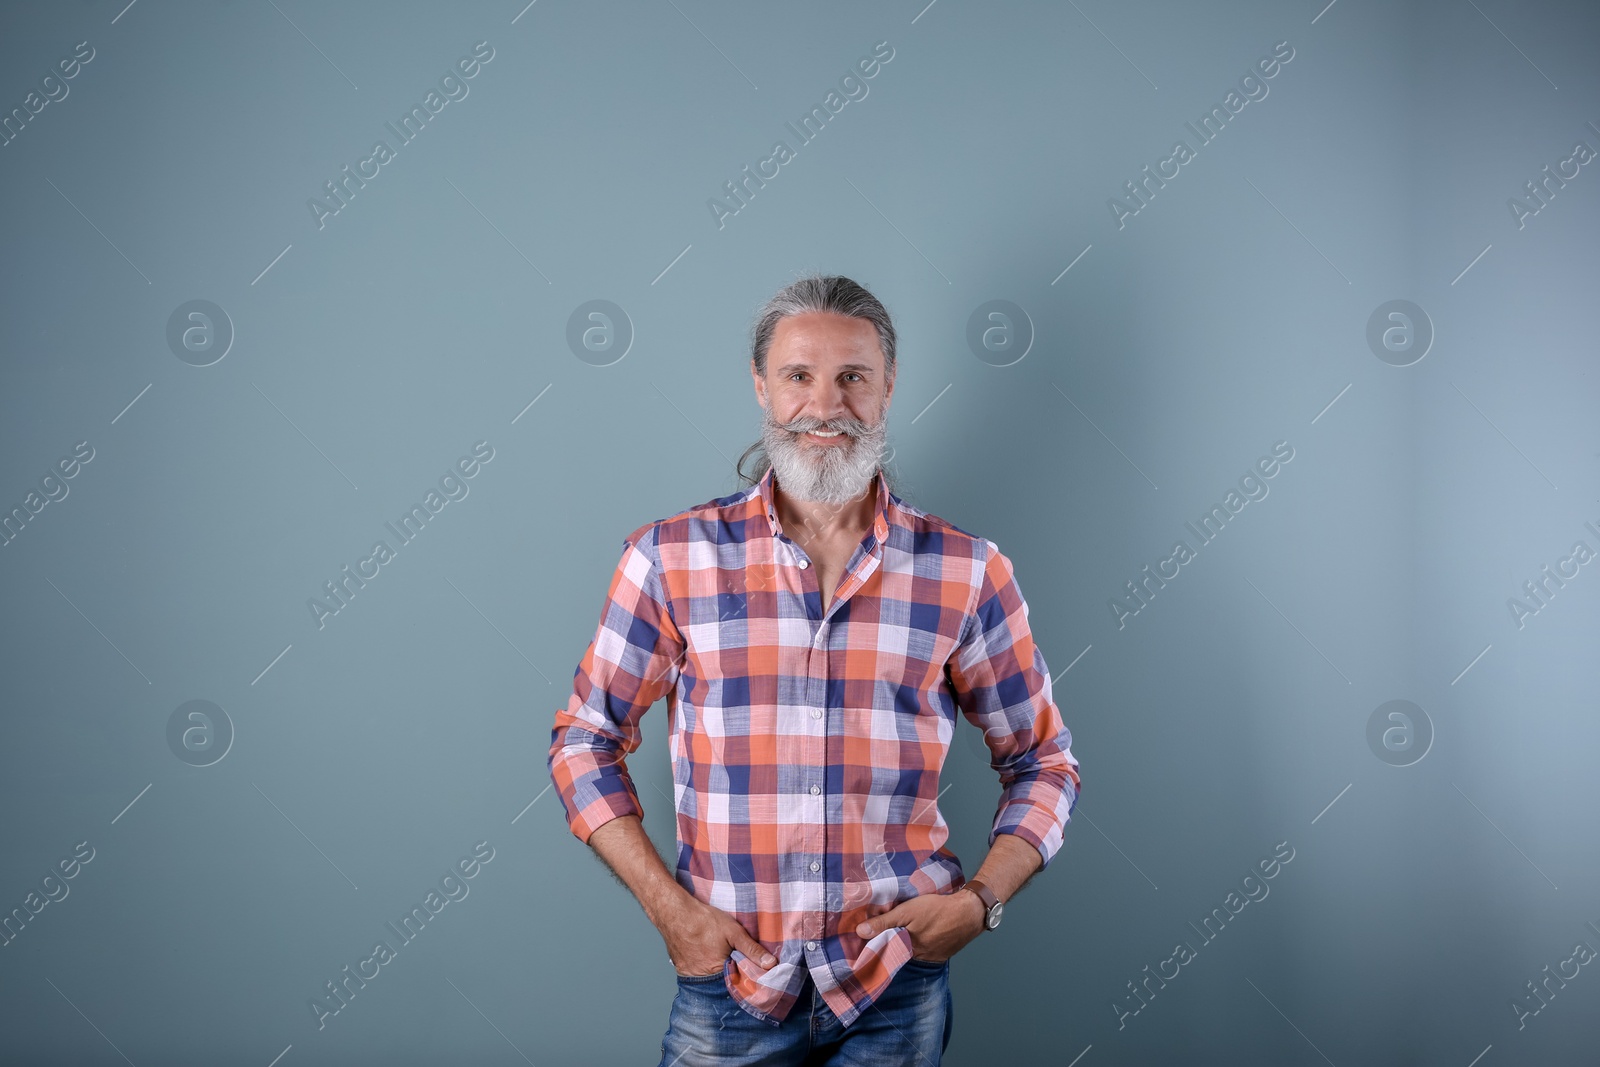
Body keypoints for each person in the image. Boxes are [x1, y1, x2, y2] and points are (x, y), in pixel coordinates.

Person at [547, 275, 1082, 1066]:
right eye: (799, 375)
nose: (824, 404)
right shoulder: (669, 558)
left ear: (888, 388)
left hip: (893, 991)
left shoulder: (968, 572)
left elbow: (1044, 764)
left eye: (852, 377)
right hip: (730, 985)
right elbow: (583, 742)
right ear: (761, 385)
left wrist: (980, 901)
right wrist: (671, 912)